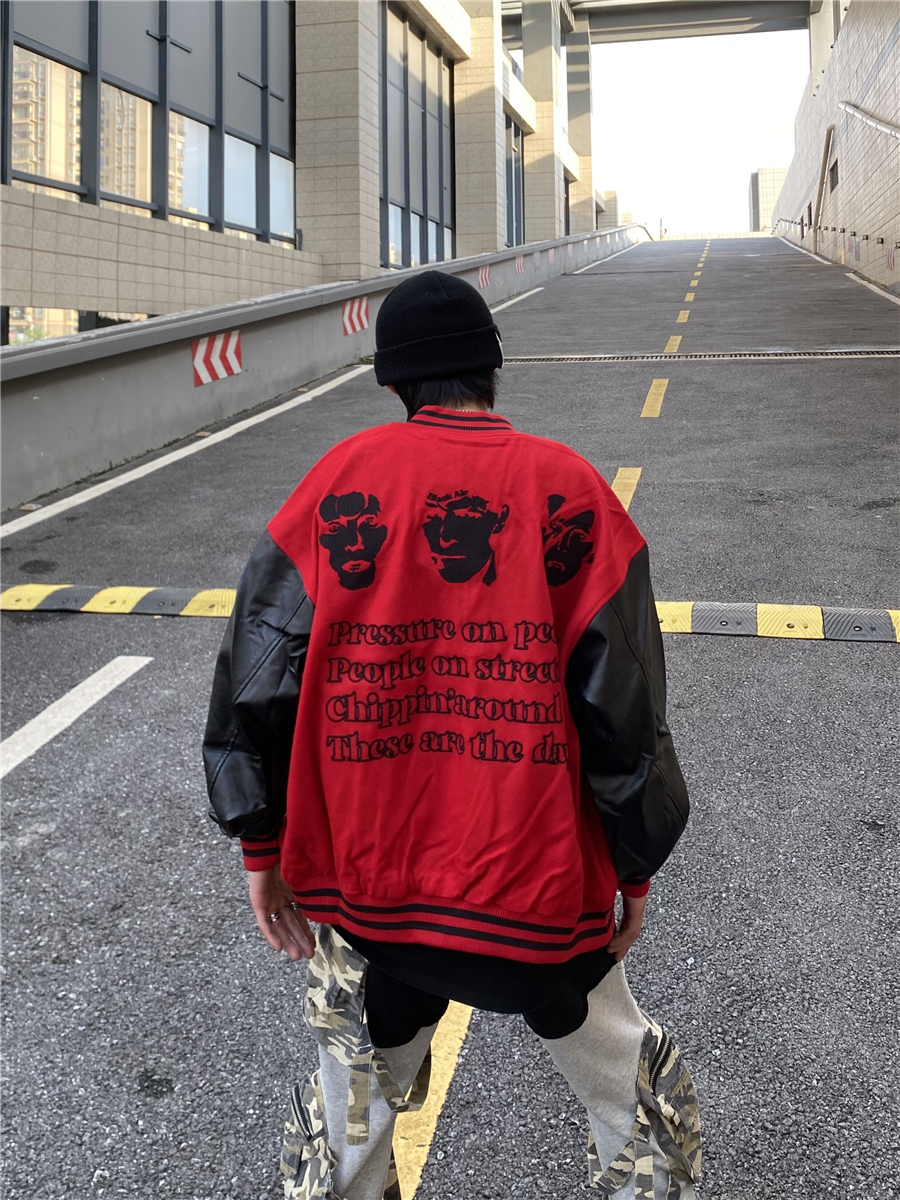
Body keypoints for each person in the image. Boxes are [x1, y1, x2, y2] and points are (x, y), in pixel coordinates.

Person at [203, 270, 701, 1200]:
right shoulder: (570, 492)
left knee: (347, 1107)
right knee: (632, 1095)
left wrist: (261, 847)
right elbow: (625, 711)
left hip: (367, 890)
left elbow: (257, 675)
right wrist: (633, 871)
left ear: (392, 380)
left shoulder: (335, 487)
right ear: (491, 369)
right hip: (539, 897)